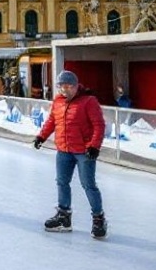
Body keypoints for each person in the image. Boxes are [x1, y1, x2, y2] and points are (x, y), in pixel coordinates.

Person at [33, 69, 108, 239]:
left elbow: (98, 125)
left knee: (88, 184)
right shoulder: (58, 102)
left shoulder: (89, 101)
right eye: (61, 86)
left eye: (68, 86)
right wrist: (41, 136)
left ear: (76, 86)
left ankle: (98, 219)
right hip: (64, 150)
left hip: (84, 151)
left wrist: (94, 146)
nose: (64, 90)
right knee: (62, 182)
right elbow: (52, 121)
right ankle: (63, 216)